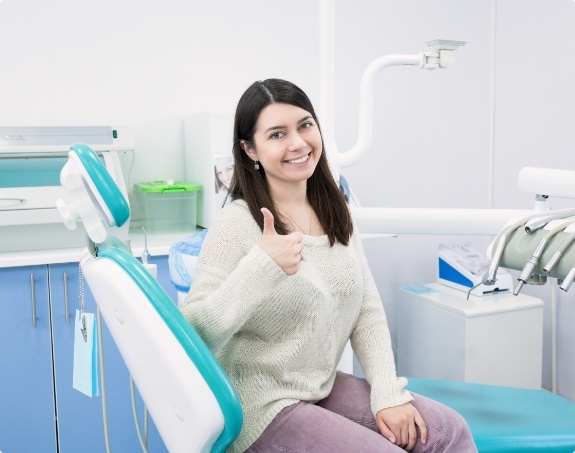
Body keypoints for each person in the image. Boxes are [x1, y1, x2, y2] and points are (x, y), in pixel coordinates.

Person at [181, 78, 477, 453]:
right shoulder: (237, 223)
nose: (298, 143)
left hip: (319, 385)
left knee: (447, 430)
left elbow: (366, 308)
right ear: (249, 149)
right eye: (277, 134)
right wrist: (261, 267)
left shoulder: (336, 209)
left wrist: (388, 393)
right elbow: (192, 335)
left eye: (305, 125)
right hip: (259, 406)